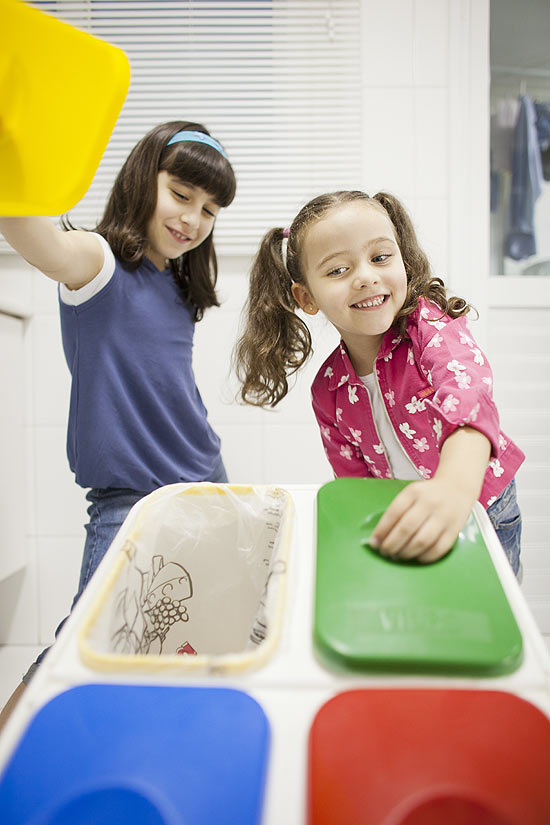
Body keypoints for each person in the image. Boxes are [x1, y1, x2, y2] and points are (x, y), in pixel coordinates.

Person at [0, 120, 236, 706]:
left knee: (189, 638)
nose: (192, 220)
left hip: (204, 486)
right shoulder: (99, 263)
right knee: (79, 651)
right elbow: (32, 232)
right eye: (181, 195)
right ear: (142, 178)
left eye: (208, 210)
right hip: (132, 499)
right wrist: (18, 146)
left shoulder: (176, 287)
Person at [235, 190, 524, 572]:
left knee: (491, 614)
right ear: (307, 297)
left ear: (402, 261)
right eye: (338, 270)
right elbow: (354, 481)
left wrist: (453, 489)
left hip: (483, 505)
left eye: (380, 257)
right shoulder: (328, 389)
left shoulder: (430, 328)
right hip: (407, 515)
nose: (366, 278)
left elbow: (468, 400)